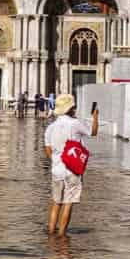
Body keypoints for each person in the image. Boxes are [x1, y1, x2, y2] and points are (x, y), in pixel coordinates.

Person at [43, 94, 86, 236]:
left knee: (56, 203)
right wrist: (96, 116)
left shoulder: (50, 127)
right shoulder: (75, 123)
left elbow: (48, 150)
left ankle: (50, 233)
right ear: (71, 109)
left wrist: (57, 160)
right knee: (68, 203)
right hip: (72, 170)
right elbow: (93, 132)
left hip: (57, 170)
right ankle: (61, 235)